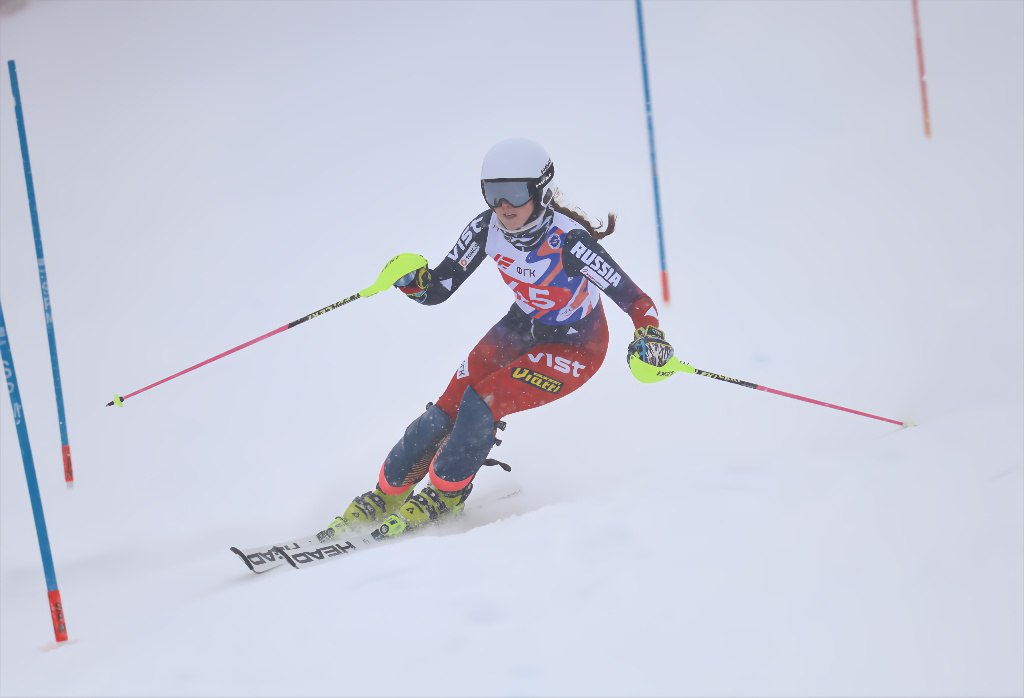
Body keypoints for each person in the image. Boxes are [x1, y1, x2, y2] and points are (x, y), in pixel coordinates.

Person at [320, 137, 675, 541]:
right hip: (521, 327)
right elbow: (439, 288)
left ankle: (446, 496)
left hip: (576, 346)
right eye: (493, 193)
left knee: (481, 404)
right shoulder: (484, 229)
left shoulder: (570, 241)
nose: (503, 205)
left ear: (540, 192)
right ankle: (385, 496)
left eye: (515, 193)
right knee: (444, 411)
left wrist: (650, 334)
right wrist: (413, 282)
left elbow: (635, 299)